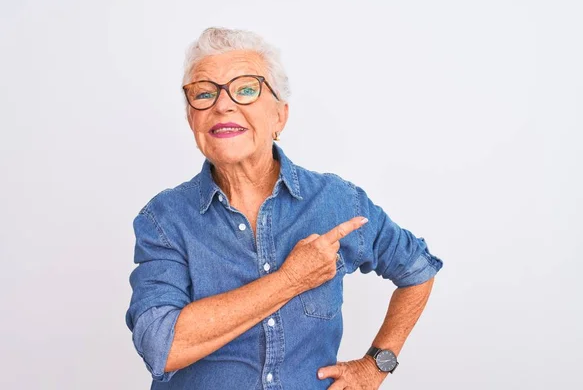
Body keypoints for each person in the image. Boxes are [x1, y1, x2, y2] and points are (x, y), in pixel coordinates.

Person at [125, 27, 444, 390]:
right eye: (204, 94)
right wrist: (291, 279)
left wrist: (376, 365)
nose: (222, 105)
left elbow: (419, 269)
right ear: (193, 121)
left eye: (246, 89)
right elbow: (160, 346)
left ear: (280, 116)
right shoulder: (164, 219)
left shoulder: (335, 200)